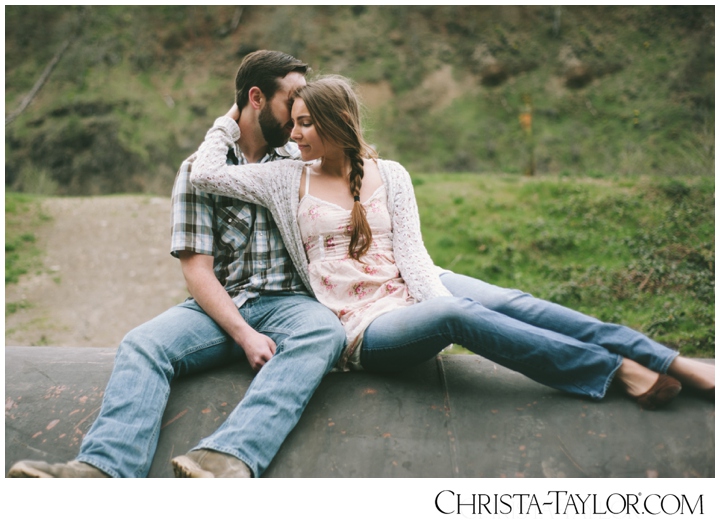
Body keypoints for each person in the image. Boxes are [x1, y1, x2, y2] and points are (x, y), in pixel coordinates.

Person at [190, 74, 715, 410]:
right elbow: (205, 174)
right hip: (360, 325)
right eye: (295, 123)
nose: (295, 135)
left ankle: (668, 361)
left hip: (415, 284)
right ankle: (617, 370)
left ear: (334, 124)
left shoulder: (390, 173)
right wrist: (229, 121)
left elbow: (414, 256)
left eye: (305, 124)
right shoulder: (285, 178)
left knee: (514, 301)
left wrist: (432, 294)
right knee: (455, 316)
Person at [7, 51, 346, 479]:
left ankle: (228, 457)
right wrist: (243, 335)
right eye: (292, 99)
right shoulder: (196, 171)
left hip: (290, 304)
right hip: (220, 308)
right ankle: (103, 470)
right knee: (142, 344)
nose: (301, 112)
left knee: (324, 331)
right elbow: (197, 270)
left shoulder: (301, 163)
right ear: (256, 98)